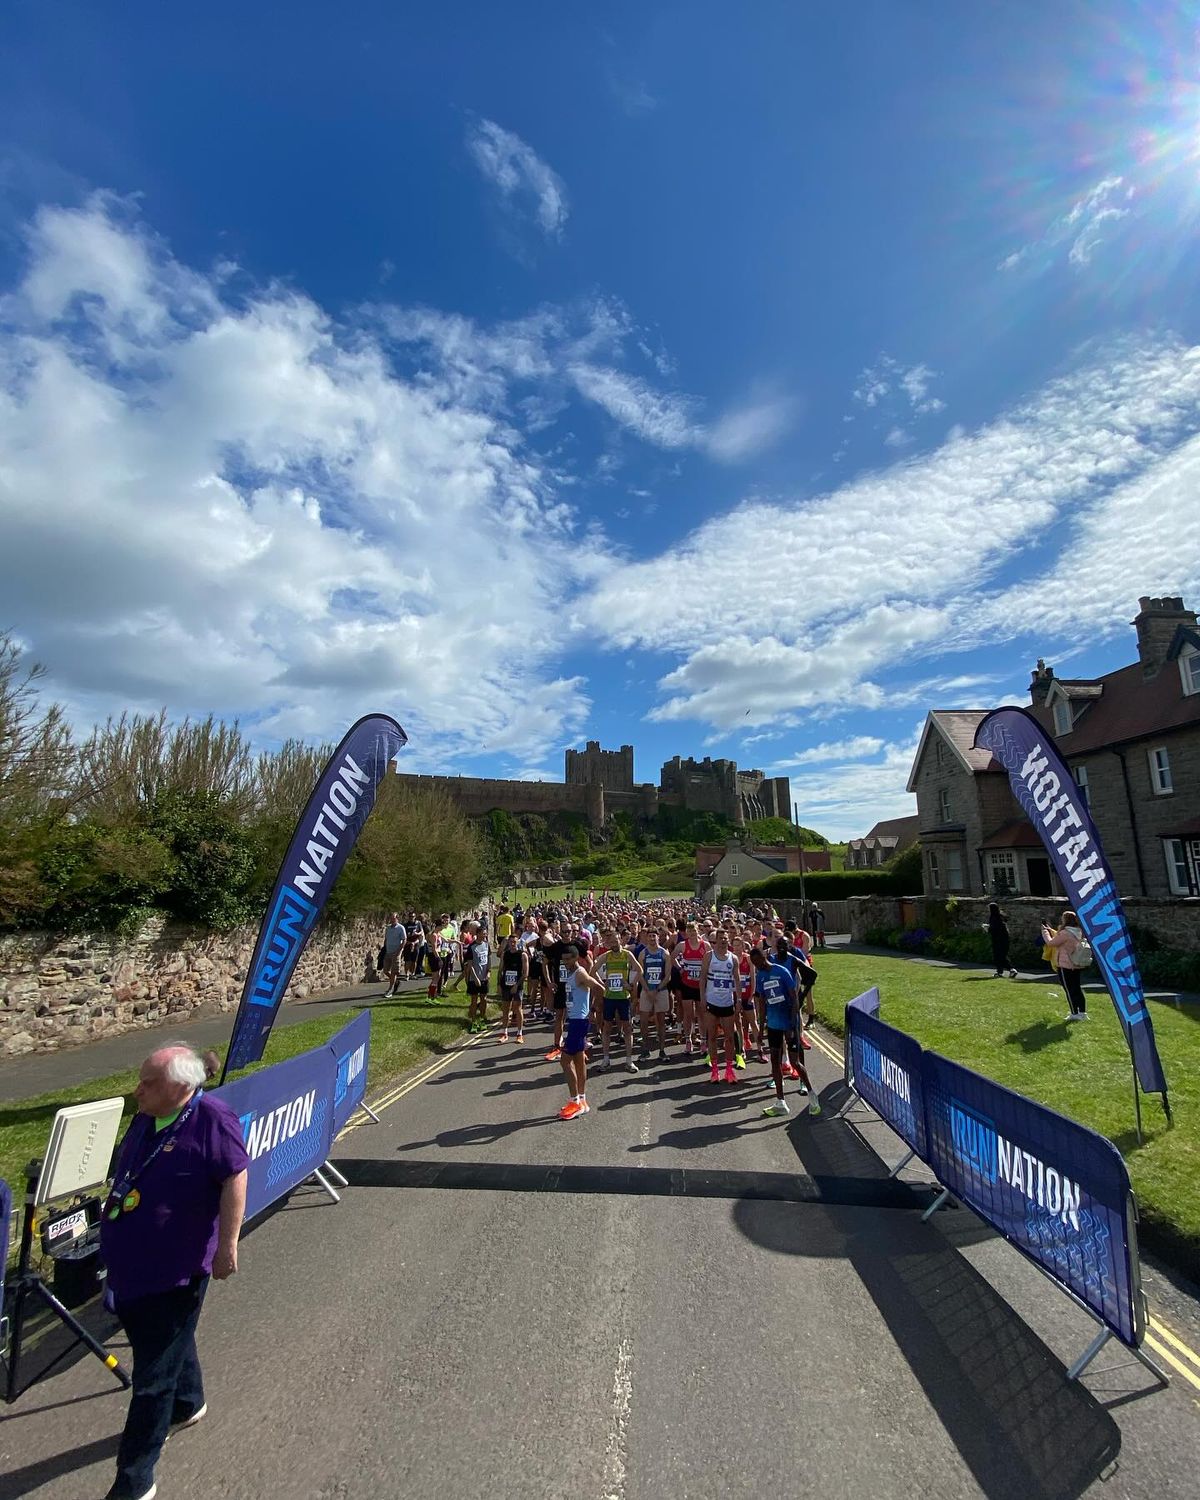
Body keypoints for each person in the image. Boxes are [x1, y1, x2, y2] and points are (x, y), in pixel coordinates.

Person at [100, 1045, 249, 1500]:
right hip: (131, 1267)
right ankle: (189, 1402)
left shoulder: (213, 1120)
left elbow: (235, 1177)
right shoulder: (145, 1117)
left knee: (151, 1381)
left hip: (177, 1271)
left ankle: (134, 1480)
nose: (137, 1089)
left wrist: (227, 1245)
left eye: (149, 1083)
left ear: (182, 1088)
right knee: (167, 1344)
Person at [750, 947, 820, 1118]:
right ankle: (780, 1102)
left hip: (789, 1022)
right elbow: (762, 1003)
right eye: (754, 964)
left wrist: (791, 1024)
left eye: (757, 962)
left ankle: (812, 1095)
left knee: (795, 1062)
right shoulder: (760, 977)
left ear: (763, 957)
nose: (756, 966)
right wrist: (761, 1027)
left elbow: (794, 997)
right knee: (775, 1061)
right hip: (773, 1024)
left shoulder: (781, 971)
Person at [558, 945, 606, 1119]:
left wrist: (594, 1008)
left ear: (576, 959)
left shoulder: (580, 973)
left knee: (564, 1062)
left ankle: (575, 1101)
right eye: (563, 960)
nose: (565, 962)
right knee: (579, 1060)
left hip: (579, 1022)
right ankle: (582, 1099)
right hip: (575, 1020)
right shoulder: (572, 974)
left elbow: (599, 988)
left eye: (569, 959)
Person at [597, 928, 644, 1074]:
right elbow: (592, 971)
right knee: (607, 1028)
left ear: (620, 940)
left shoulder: (627, 954)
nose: (613, 943)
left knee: (628, 1028)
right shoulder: (606, 956)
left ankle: (629, 1061)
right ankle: (606, 1060)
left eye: (616, 940)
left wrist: (630, 985)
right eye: (610, 941)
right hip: (610, 997)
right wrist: (602, 984)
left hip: (624, 997)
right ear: (608, 943)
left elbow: (640, 970)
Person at [699, 929, 740, 1084]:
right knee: (713, 1037)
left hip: (727, 1002)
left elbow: (737, 980)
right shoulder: (709, 957)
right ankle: (715, 1070)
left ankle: (729, 1070)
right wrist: (702, 998)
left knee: (729, 1037)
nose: (723, 941)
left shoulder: (733, 958)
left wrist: (739, 1000)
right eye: (720, 938)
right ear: (715, 941)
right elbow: (702, 978)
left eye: (725, 938)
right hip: (711, 1001)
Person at [1043, 911, 1088, 1020]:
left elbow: (1051, 943)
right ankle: (1082, 1012)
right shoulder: (1079, 931)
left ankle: (1074, 1013)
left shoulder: (1065, 933)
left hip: (1065, 964)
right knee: (1077, 988)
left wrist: (1045, 933)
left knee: (1069, 989)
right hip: (1076, 963)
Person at [637, 927, 672, 1062]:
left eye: (654, 936)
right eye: (650, 936)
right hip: (646, 990)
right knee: (644, 1021)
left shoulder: (664, 954)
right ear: (647, 938)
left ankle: (662, 1050)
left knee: (661, 1021)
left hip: (661, 990)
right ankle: (645, 1049)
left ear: (658, 937)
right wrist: (647, 990)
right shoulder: (643, 954)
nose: (652, 938)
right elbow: (640, 974)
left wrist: (656, 990)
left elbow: (668, 976)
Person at [497, 933, 528, 1043]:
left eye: (515, 942)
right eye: (511, 942)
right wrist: (498, 985)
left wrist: (516, 985)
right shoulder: (505, 954)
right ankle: (504, 1033)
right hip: (506, 984)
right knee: (505, 1009)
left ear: (518, 942)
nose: (513, 944)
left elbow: (525, 973)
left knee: (518, 1008)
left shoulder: (522, 955)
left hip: (517, 985)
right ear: (508, 943)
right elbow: (500, 970)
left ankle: (519, 1034)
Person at [464, 923, 491, 1031]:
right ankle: (474, 1021)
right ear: (478, 934)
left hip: (484, 977)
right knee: (474, 1000)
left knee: (484, 999)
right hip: (474, 978)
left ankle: (482, 1019)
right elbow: (470, 964)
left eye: (485, 934)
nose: (484, 935)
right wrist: (475, 978)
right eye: (483, 934)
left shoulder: (486, 945)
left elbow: (488, 960)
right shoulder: (472, 947)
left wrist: (488, 972)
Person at [988, 903, 1018, 978]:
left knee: (999, 956)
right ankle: (1001, 972)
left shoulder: (994, 918)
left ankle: (1010, 969)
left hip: (998, 939)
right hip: (1005, 939)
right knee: (1002, 956)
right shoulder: (1001, 916)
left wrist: (988, 929)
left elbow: (994, 929)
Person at [380, 913, 406, 996]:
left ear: (397, 919)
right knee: (385, 970)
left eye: (393, 918)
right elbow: (386, 938)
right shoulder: (388, 928)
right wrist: (385, 947)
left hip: (396, 952)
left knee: (394, 972)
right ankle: (396, 982)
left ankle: (390, 989)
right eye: (391, 918)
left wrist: (398, 951)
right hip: (388, 951)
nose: (392, 920)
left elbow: (404, 940)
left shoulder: (400, 928)